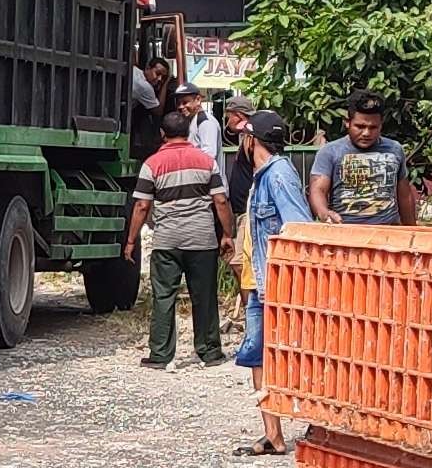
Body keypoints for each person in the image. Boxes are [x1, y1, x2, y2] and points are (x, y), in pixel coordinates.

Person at [129, 105, 233, 369]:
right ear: (188, 132)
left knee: (164, 297)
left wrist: (130, 240)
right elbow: (220, 200)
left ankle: (161, 355)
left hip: (167, 242)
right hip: (202, 240)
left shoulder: (151, 164)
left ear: (163, 134)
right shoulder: (206, 162)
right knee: (205, 296)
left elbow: (142, 206)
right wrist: (228, 235)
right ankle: (210, 352)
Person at [227, 108, 314, 386]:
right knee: (256, 356)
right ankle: (272, 431)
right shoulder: (262, 176)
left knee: (282, 355)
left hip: (275, 285)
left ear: (251, 141)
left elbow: (299, 228)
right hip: (259, 282)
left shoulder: (278, 176)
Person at [309, 95, 412, 226]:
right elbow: (318, 190)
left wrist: (413, 231)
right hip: (346, 234)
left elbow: (404, 195)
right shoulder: (329, 152)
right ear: (347, 122)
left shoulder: (394, 149)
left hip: (388, 234)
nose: (366, 133)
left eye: (373, 127)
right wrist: (324, 213)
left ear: (381, 125)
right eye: (360, 126)